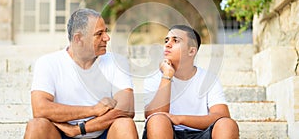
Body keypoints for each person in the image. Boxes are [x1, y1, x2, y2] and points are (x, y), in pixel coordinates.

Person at [24, 8, 138, 139]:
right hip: (61, 134)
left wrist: (80, 129)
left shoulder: (117, 61)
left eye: (105, 32)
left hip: (103, 133)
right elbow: (40, 109)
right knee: (36, 125)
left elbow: (126, 109)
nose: (107, 38)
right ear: (78, 38)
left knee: (125, 124)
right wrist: (93, 110)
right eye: (99, 34)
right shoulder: (48, 62)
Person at [143, 25, 239, 139]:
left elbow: (221, 115)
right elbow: (153, 115)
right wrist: (167, 75)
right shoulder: (154, 78)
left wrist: (179, 119)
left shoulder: (208, 79)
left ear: (191, 51)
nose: (167, 44)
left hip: (201, 134)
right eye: (166, 40)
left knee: (227, 124)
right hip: (167, 133)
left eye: (176, 40)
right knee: (157, 120)